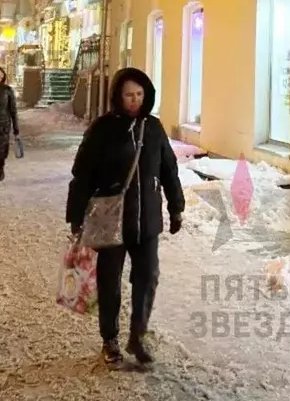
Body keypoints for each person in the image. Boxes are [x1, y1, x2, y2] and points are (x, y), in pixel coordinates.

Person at [66, 67, 185, 367]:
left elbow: (169, 170)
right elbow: (82, 175)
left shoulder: (154, 128)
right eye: (129, 95)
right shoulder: (102, 129)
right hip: (111, 222)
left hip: (146, 222)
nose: (134, 100)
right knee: (110, 282)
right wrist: (76, 216)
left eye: (139, 95)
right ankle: (110, 339)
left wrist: (176, 207)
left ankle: (138, 335)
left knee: (148, 278)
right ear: (118, 96)